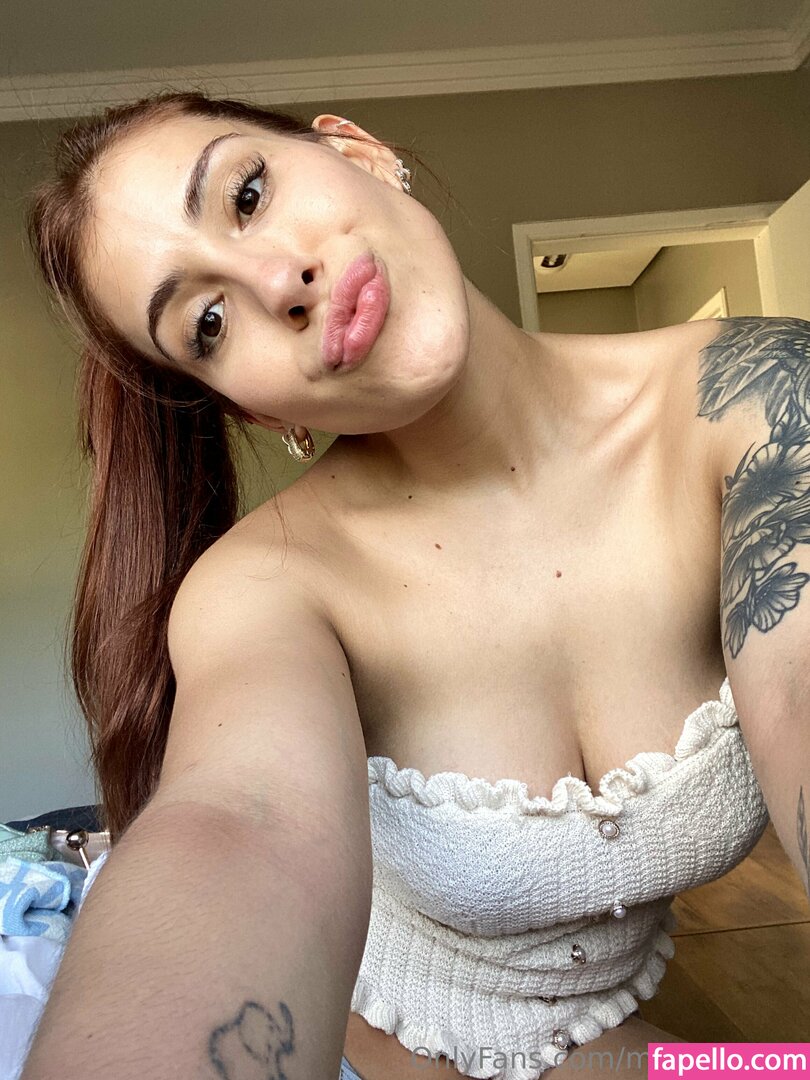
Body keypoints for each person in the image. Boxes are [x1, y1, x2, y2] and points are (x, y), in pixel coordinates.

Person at [18, 90, 806, 1079]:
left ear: (359, 152)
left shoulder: (755, 396)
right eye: (208, 322)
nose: (278, 281)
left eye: (248, 194)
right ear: (250, 408)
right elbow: (240, 823)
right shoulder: (264, 588)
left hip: (604, 1048)